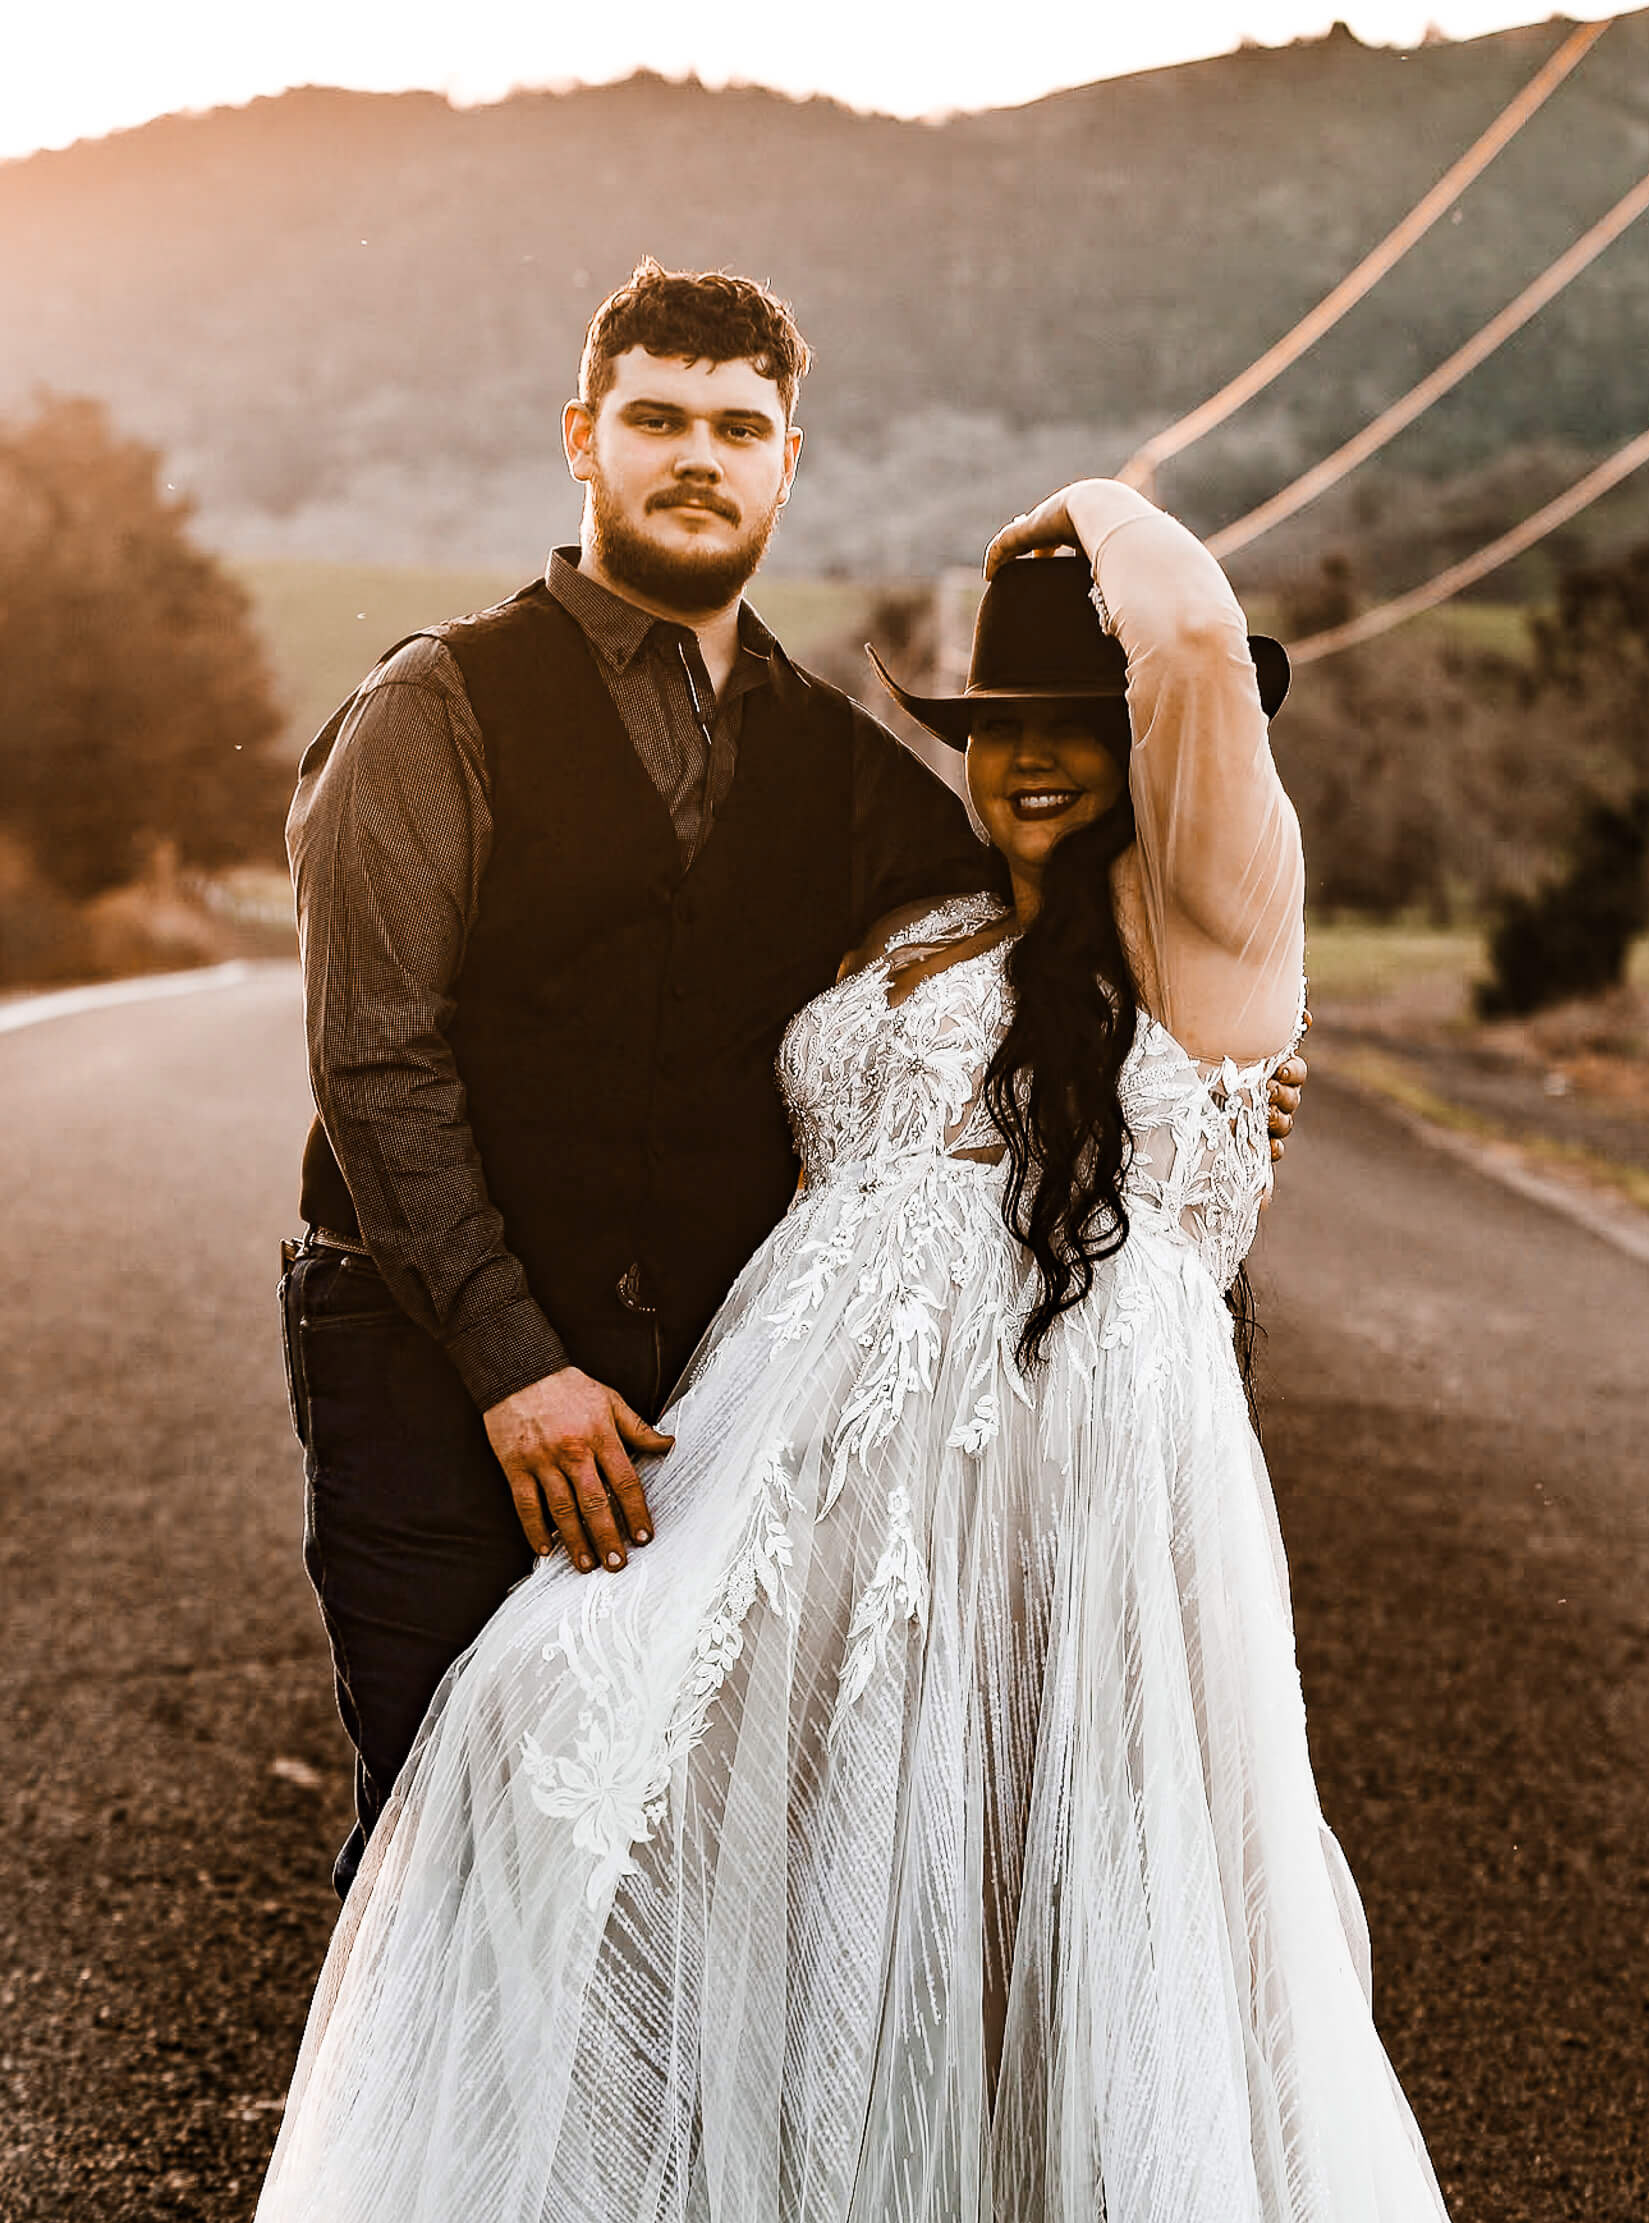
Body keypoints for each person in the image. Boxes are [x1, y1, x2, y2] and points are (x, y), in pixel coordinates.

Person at [227, 479, 1649, 2223]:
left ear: (1153, 736)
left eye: (1078, 719)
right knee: (582, 1774)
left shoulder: (1202, 917)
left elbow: (1194, 657)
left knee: (1004, 1935)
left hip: (1050, 1483)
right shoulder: (924, 910)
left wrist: (1082, 524)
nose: (1033, 756)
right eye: (1000, 722)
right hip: (793, 1466)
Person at [278, 255, 1309, 1923]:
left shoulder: (841, 768)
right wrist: (511, 1364)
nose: (698, 455)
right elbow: (372, 1058)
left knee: (658, 1863)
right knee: (441, 1823)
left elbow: (1032, 962)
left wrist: (1211, 1090)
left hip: (695, 1405)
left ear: (786, 462)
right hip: (432, 1366)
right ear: (583, 439)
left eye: (737, 427)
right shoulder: (433, 711)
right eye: (657, 420)